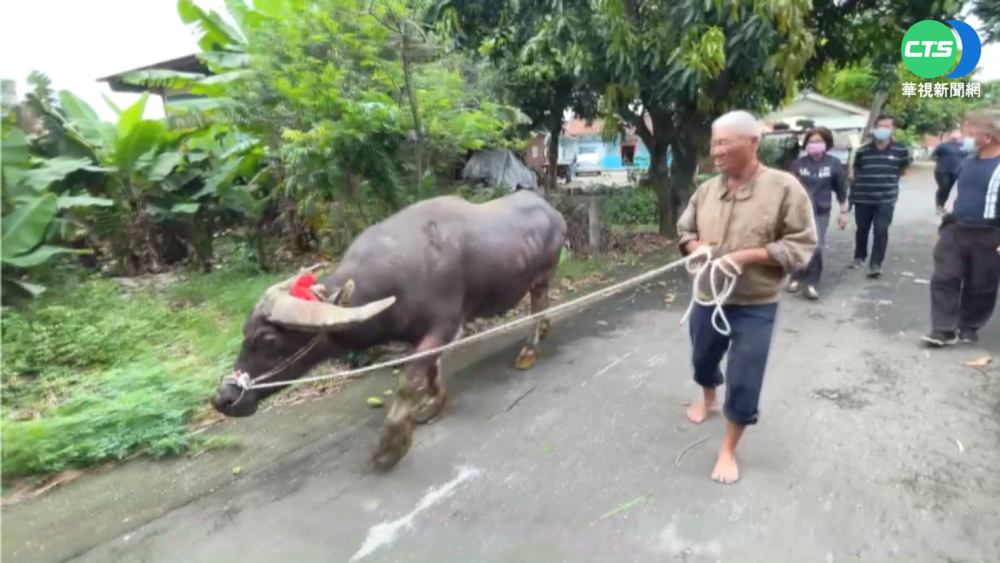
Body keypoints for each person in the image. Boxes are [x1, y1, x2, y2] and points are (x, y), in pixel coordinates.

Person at [676, 110, 818, 484]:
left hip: (755, 302)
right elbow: (684, 229)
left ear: (752, 144)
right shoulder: (706, 190)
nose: (715, 151)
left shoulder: (785, 189)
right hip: (708, 297)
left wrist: (746, 256)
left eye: (723, 142)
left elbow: (801, 243)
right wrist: (696, 246)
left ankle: (728, 449)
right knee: (702, 359)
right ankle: (707, 398)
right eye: (713, 143)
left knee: (744, 378)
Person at [923, 113, 1000, 347]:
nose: (968, 136)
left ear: (988, 137)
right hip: (957, 228)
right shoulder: (967, 160)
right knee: (944, 276)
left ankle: (968, 325)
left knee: (981, 285)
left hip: (989, 232)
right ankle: (943, 329)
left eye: (973, 132)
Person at [787, 127, 849, 299]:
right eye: (811, 141)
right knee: (799, 244)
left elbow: (841, 190)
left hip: (821, 212)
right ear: (806, 144)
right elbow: (788, 190)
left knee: (817, 247)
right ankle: (797, 276)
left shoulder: (834, 164)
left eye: (819, 141)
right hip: (799, 212)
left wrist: (844, 213)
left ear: (826, 144)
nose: (815, 145)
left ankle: (812, 282)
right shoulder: (798, 164)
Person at [848, 114, 913, 278]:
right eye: (880, 126)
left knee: (881, 229)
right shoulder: (862, 150)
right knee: (862, 229)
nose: (883, 130)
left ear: (893, 129)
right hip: (863, 197)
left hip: (886, 198)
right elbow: (854, 170)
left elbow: (903, 169)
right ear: (874, 129)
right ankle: (859, 257)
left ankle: (876, 263)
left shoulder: (901, 150)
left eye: (887, 126)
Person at [932, 130, 969, 214]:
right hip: (942, 171)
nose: (957, 139)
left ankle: (949, 207)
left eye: (959, 137)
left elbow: (967, 157)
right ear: (951, 137)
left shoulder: (963, 147)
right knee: (944, 188)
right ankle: (939, 206)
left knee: (950, 189)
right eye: (955, 137)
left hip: (956, 171)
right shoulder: (943, 146)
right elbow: (934, 155)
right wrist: (940, 162)